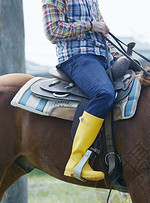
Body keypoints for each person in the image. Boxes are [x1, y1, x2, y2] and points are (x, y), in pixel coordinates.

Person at [42, 0, 120, 181]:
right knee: (104, 94)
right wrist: (89, 25)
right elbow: (52, 31)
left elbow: (102, 32)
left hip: (103, 56)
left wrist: (120, 56)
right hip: (76, 57)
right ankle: (77, 160)